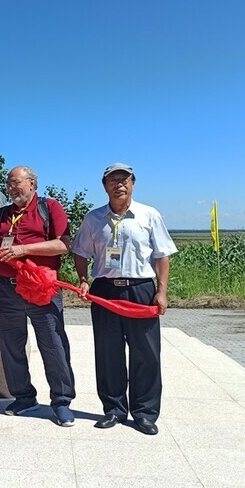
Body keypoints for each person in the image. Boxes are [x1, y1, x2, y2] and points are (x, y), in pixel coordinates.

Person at [72, 163, 177, 435]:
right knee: (108, 353)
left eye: (124, 179)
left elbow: (162, 255)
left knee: (147, 353)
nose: (119, 183)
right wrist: (83, 279)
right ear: (104, 185)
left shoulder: (148, 215)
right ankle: (114, 409)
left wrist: (161, 291)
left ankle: (144, 413)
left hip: (140, 289)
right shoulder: (93, 218)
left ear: (133, 183)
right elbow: (80, 252)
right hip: (105, 290)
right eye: (112, 179)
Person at [0, 166, 77, 426]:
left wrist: (25, 249)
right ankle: (23, 397)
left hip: (41, 288)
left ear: (32, 183)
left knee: (53, 346)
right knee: (11, 345)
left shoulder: (49, 207)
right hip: (7, 288)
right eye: (8, 184)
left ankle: (61, 401)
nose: (11, 188)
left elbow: (64, 244)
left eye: (16, 183)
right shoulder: (3, 213)